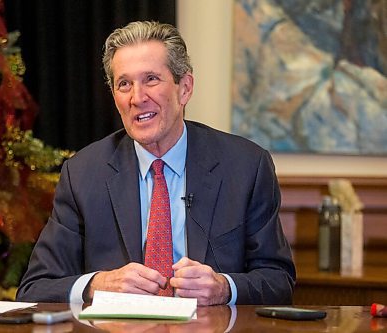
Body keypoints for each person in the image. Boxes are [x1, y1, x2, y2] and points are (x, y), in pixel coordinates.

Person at [16, 21, 296, 305]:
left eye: (151, 79)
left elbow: (278, 280)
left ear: (184, 88)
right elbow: (35, 287)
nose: (137, 98)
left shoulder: (246, 167)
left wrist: (225, 287)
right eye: (124, 84)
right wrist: (96, 284)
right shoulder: (83, 174)